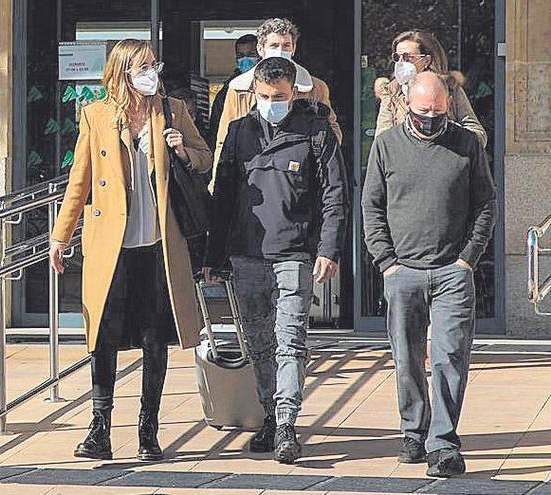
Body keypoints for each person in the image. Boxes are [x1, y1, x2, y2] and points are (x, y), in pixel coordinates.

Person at [48, 39, 212, 462]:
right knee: (102, 335)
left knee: (154, 338)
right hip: (111, 245)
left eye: (154, 65)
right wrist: (60, 236)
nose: (151, 73)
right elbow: (78, 181)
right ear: (122, 70)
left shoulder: (173, 109)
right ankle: (99, 428)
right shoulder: (96, 115)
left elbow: (204, 158)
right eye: (143, 66)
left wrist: (181, 149)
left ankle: (148, 429)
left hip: (159, 243)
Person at [203, 57, 348, 464]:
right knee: (259, 344)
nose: (272, 103)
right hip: (247, 255)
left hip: (296, 254)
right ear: (254, 93)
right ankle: (270, 415)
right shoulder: (237, 132)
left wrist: (328, 250)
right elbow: (224, 196)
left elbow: (335, 195)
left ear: (294, 92)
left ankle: (286, 423)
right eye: (265, 97)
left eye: (280, 96)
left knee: (290, 342)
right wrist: (213, 256)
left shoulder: (316, 131)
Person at [362, 72, 497, 478]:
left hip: (453, 272)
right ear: (407, 104)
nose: (431, 117)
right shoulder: (386, 145)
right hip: (403, 272)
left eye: (439, 111)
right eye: (423, 111)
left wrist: (468, 259)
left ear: (449, 107)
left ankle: (443, 443)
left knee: (449, 358)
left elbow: (485, 204)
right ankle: (413, 431)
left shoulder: (466, 144)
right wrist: (387, 262)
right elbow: (371, 206)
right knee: (406, 359)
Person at [211, 18, 342, 190]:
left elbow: (333, 134)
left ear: (294, 48)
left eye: (286, 46)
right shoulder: (238, 89)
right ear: (260, 49)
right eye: (274, 46)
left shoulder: (315, 88)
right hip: (253, 175)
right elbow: (223, 139)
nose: (280, 51)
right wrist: (217, 184)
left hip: (301, 178)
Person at [374, 30, 487, 148]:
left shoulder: (449, 88)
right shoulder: (392, 92)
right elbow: (382, 140)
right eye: (397, 57)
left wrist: (451, 136)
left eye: (407, 57)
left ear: (426, 60)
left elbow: (478, 135)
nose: (401, 62)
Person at [207, 34, 259, 151]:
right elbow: (216, 129)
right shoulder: (228, 90)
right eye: (241, 56)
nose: (245, 59)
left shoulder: (272, 84)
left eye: (251, 54)